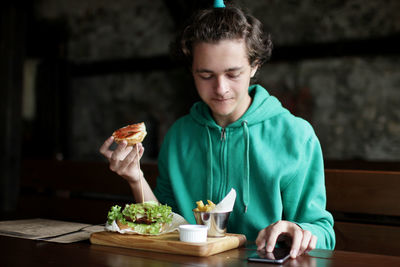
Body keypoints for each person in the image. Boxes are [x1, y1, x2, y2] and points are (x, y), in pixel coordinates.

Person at [100, 1, 335, 258]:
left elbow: (323, 232)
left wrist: (296, 229)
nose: (220, 88)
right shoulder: (179, 135)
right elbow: (164, 225)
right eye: (206, 75)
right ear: (192, 70)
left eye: (233, 74)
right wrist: (136, 177)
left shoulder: (296, 136)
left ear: (254, 65)